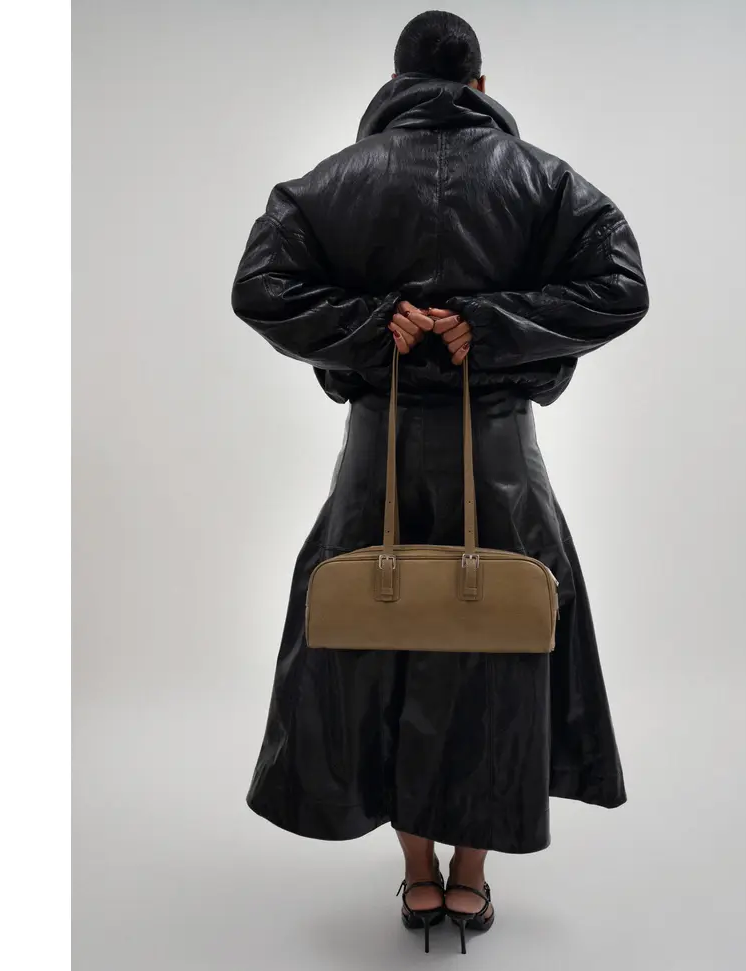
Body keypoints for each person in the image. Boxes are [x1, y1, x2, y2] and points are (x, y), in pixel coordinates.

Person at [231, 9, 649, 955]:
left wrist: (375, 321)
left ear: (395, 82)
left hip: (374, 453)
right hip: (499, 458)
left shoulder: (333, 180)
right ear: (479, 86)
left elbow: (261, 287)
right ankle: (468, 878)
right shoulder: (541, 179)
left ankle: (416, 873)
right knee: (498, 638)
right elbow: (620, 285)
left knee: (377, 635)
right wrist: (492, 324)